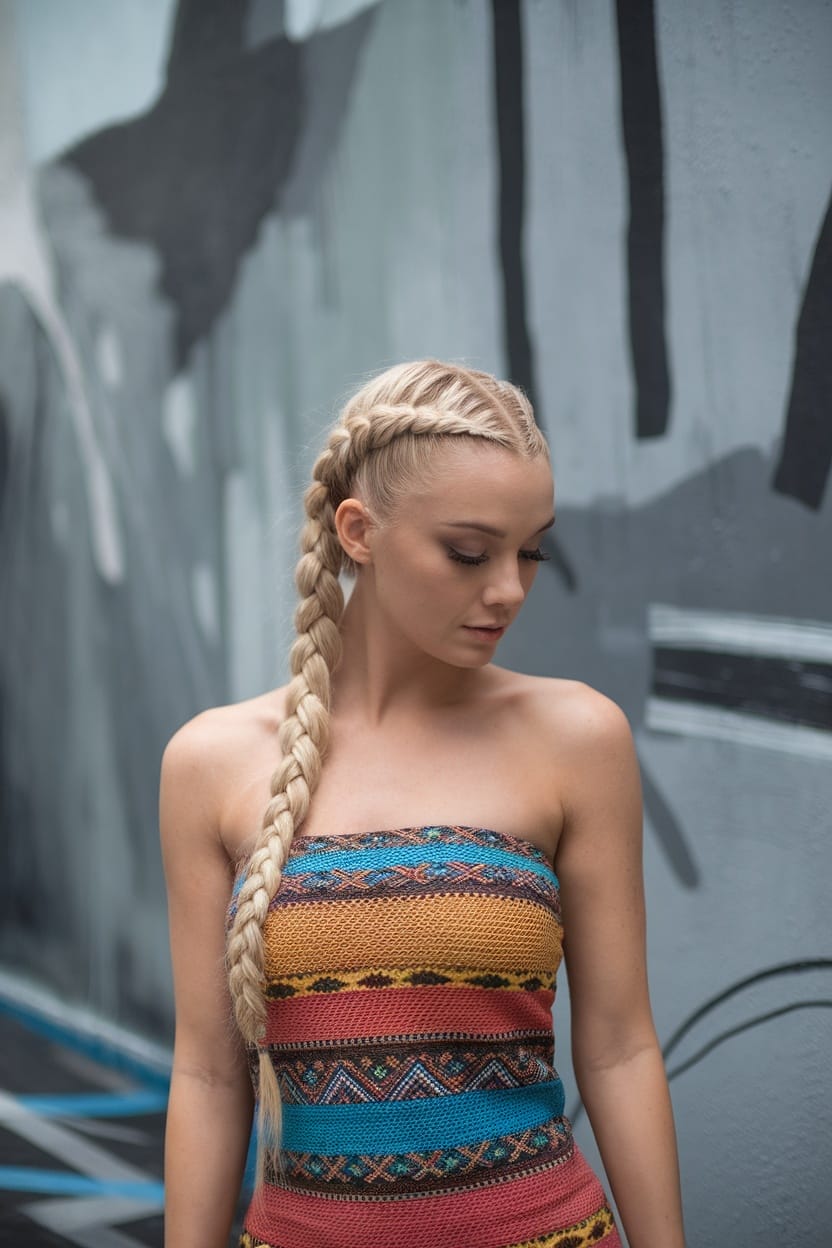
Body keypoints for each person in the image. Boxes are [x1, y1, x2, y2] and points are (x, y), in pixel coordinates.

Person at [160, 360, 686, 1248]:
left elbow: (620, 1048)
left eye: (531, 551)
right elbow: (211, 1076)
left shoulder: (577, 739)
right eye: (470, 553)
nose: (511, 591)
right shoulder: (211, 762)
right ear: (357, 531)